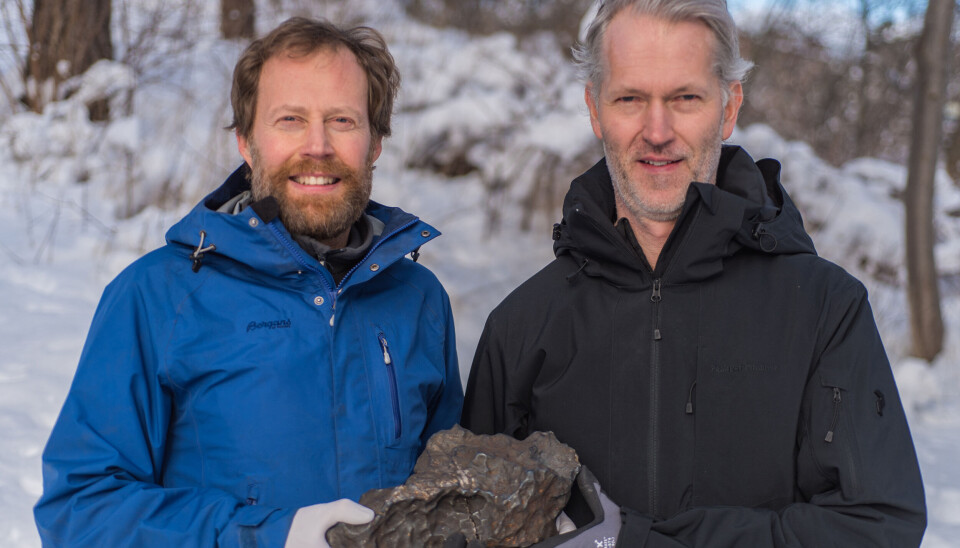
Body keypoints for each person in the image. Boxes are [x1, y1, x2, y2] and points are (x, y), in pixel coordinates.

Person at [460, 0, 926, 546]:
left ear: (728, 108)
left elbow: (877, 527)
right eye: (630, 98)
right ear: (595, 108)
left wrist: (637, 541)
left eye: (685, 98)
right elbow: (475, 526)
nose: (657, 131)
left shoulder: (824, 308)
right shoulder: (519, 328)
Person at [34, 17, 463, 547]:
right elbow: (80, 510)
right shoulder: (156, 297)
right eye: (290, 119)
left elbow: (449, 494)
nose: (318, 146)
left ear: (375, 142)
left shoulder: (417, 300)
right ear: (246, 141)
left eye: (343, 121)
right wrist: (266, 536)